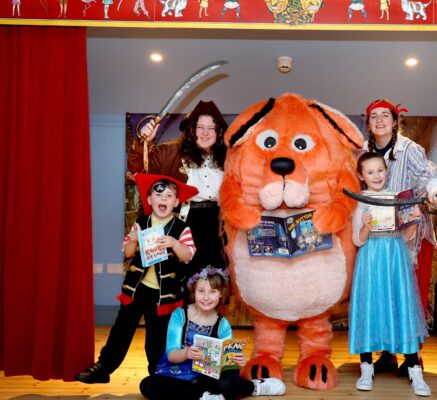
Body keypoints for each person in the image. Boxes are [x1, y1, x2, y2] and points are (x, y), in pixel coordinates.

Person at [76, 174, 199, 384]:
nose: (164, 199)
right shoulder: (140, 224)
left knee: (158, 337)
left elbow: (188, 256)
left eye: (169, 196)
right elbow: (128, 253)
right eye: (159, 195)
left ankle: (158, 373)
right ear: (149, 200)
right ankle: (104, 367)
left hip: (163, 294)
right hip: (136, 288)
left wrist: (173, 243)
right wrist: (132, 240)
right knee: (121, 329)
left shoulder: (181, 228)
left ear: (176, 203)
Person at [362, 99, 437, 377]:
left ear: (395, 121)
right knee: (385, 295)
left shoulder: (409, 149)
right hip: (379, 238)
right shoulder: (365, 152)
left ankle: (413, 358)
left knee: (410, 296)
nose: (379, 120)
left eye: (385, 115)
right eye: (373, 117)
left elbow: (428, 175)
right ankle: (386, 354)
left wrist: (435, 190)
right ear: (369, 123)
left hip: (411, 235)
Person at [349, 152, 430, 396]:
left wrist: (413, 221)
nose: (376, 175)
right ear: (361, 176)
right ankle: (366, 368)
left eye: (380, 170)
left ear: (387, 171)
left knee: (402, 307)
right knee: (369, 307)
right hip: (371, 258)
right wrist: (364, 225)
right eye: (370, 172)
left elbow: (406, 236)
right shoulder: (360, 200)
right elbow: (357, 240)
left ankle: (415, 371)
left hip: (395, 257)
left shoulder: (399, 197)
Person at [139, 267, 286, 400]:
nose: (206, 297)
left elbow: (228, 365)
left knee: (225, 383)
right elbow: (171, 354)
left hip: (209, 375)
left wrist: (238, 360)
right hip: (179, 371)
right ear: (194, 291)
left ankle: (254, 387)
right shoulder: (180, 315)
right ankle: (204, 395)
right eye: (201, 291)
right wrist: (186, 353)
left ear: (220, 293)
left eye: (212, 292)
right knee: (148, 385)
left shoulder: (223, 325)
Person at [131, 100, 229, 278]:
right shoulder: (169, 152)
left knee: (215, 282)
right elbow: (137, 173)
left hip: (217, 227)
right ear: (192, 129)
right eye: (200, 127)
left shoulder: (229, 157)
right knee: (178, 281)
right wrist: (144, 143)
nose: (205, 133)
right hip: (183, 223)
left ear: (219, 131)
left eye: (211, 128)